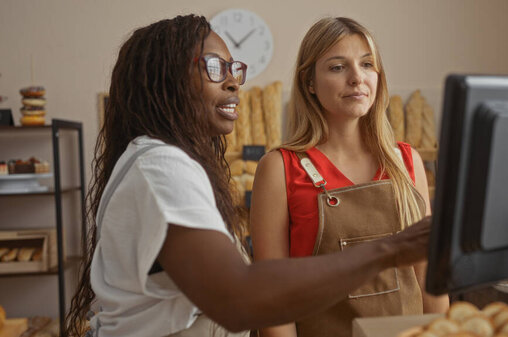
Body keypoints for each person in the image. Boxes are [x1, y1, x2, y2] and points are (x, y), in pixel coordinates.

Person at [65, 14, 432, 337]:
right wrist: (390, 249)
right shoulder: (159, 168)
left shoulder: (162, 162)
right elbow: (239, 299)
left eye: (232, 69)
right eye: (214, 68)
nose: (233, 83)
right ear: (167, 80)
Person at [250, 17, 449, 337]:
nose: (357, 78)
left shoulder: (407, 162)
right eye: (337, 67)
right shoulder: (280, 168)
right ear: (309, 83)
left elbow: (428, 278)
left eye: (367, 64)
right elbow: (272, 295)